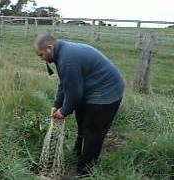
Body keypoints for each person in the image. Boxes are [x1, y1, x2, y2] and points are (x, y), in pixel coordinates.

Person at [34, 35, 125, 175]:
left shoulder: (67, 59)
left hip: (107, 92)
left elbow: (75, 94)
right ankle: (78, 152)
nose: (42, 59)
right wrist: (57, 104)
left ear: (49, 48)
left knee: (93, 132)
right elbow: (65, 83)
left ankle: (85, 171)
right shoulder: (61, 53)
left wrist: (63, 111)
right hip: (91, 87)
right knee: (82, 122)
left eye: (41, 55)